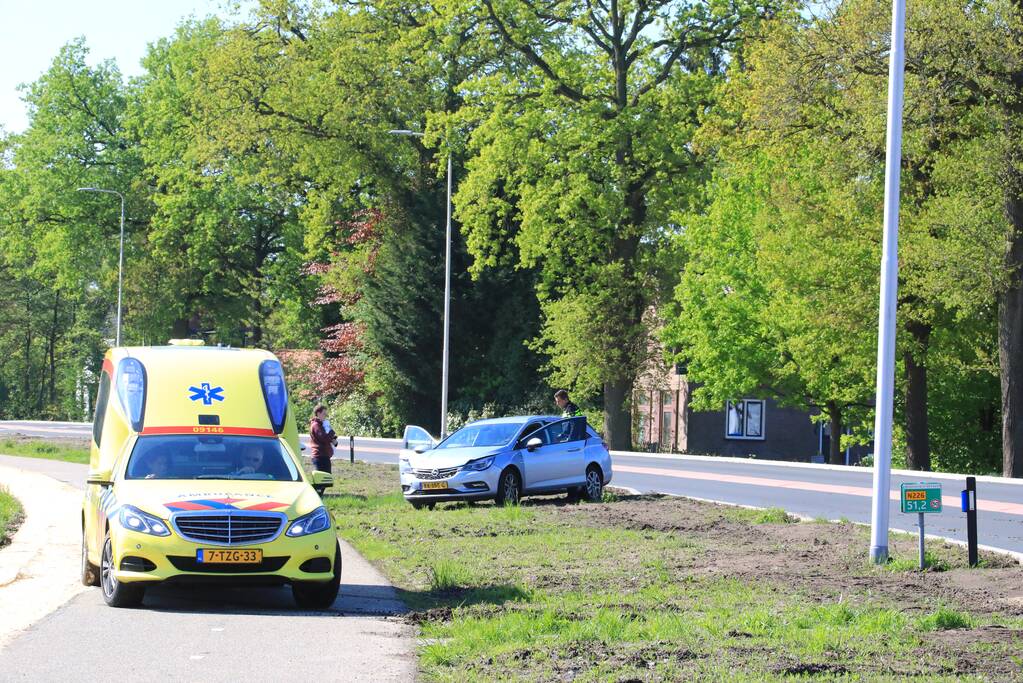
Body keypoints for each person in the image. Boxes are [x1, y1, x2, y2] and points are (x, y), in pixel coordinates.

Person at [309, 404, 337, 474]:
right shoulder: (316, 425)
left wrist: (333, 439)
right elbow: (324, 439)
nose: (325, 416)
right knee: (322, 481)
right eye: (324, 414)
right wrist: (331, 431)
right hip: (320, 456)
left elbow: (326, 438)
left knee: (327, 480)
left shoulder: (321, 425)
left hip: (324, 456)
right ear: (318, 413)